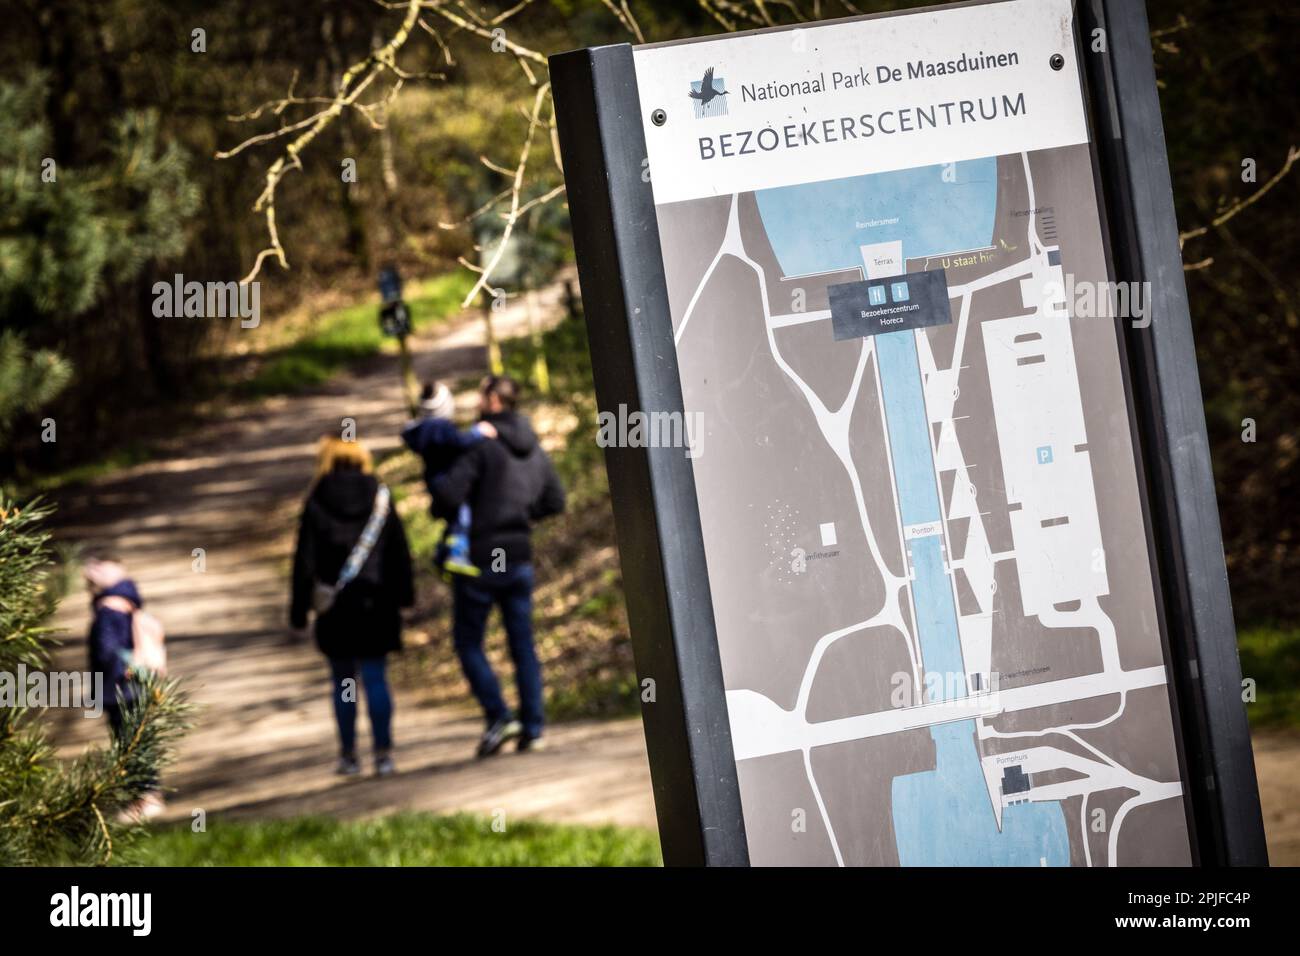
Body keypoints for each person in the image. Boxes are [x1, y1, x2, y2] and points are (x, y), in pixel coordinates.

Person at [431, 375, 565, 757]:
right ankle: (533, 728)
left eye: (480, 393)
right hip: (519, 556)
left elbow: (445, 496)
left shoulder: (482, 446)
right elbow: (555, 500)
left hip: (482, 560)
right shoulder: (534, 448)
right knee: (523, 645)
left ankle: (499, 714)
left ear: (492, 400)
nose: (475, 399)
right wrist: (521, 517)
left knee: (468, 641)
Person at [291, 436, 414, 777]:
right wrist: (406, 598)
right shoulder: (381, 498)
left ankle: (348, 755)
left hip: (337, 610)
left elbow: (304, 561)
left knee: (343, 682)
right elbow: (399, 554)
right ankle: (384, 754)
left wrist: (299, 612)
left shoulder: (317, 500)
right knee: (376, 677)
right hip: (377, 604)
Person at [84, 556, 165, 821]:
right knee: (139, 741)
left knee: (128, 745)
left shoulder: (107, 612)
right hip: (137, 686)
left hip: (121, 689)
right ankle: (147, 796)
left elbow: (106, 653)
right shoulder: (128, 604)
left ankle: (144, 800)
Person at [401, 381, 496, 578]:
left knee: (455, 519)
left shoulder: (421, 430)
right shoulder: (440, 428)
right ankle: (455, 555)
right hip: (448, 482)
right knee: (463, 518)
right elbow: (459, 442)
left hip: (435, 481)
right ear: (445, 405)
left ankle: (442, 554)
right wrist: (477, 432)